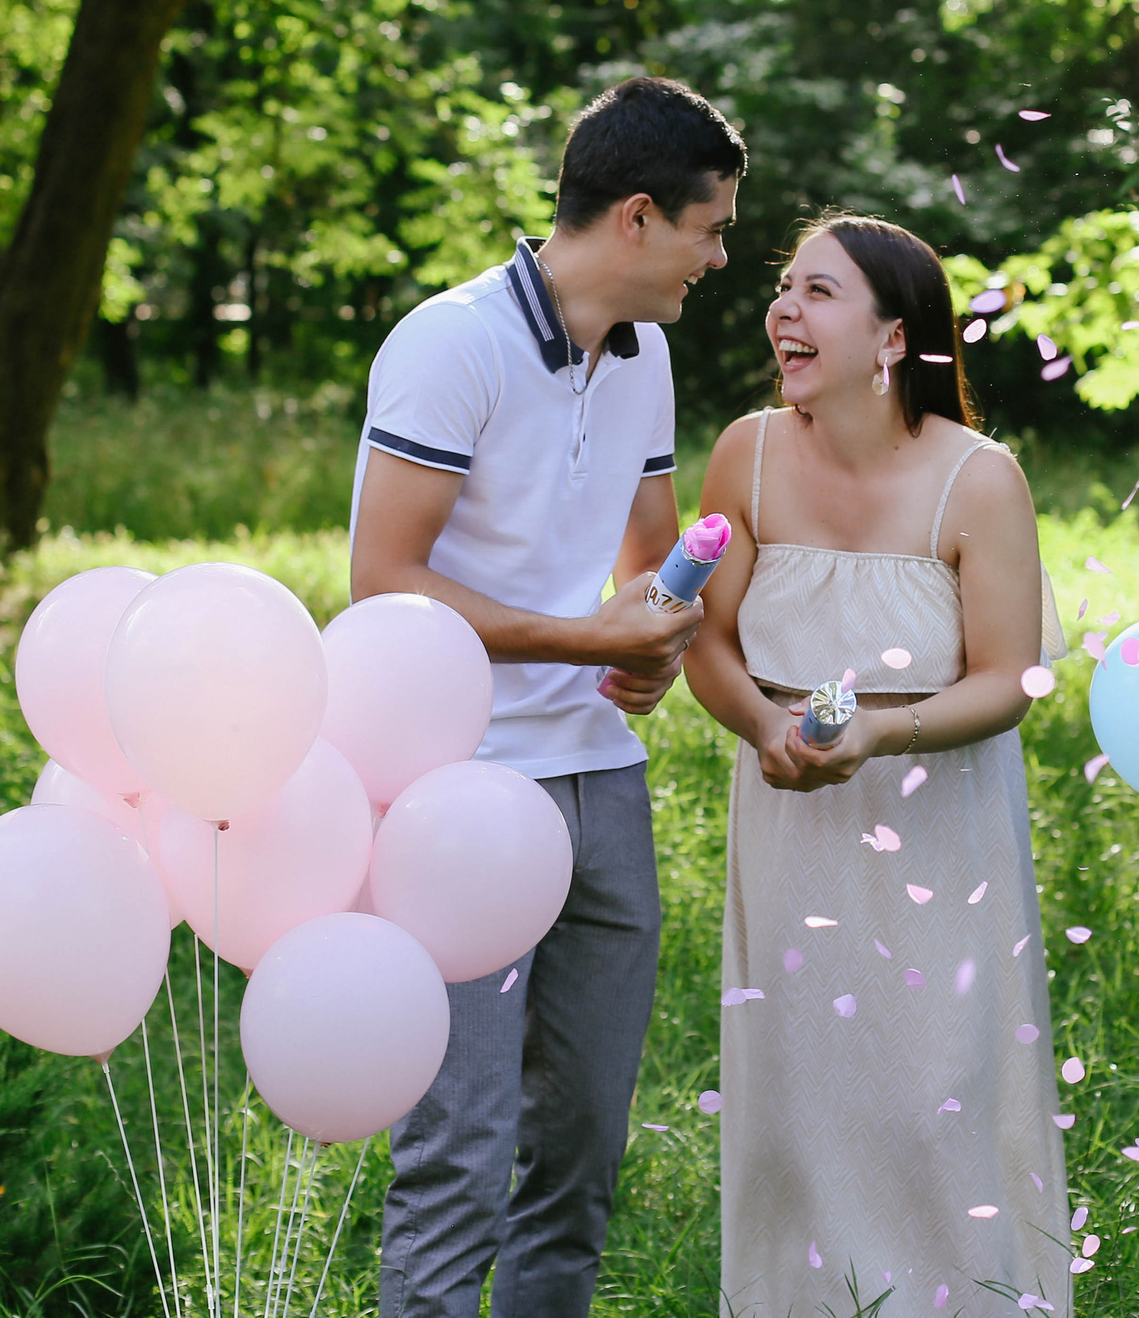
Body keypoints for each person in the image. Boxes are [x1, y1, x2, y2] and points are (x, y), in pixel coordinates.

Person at [348, 76, 744, 1318]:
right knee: (456, 1157)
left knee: (580, 1158)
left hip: (600, 791)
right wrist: (584, 638)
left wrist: (654, 642)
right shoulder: (446, 343)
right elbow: (385, 584)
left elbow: (650, 550)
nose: (720, 258)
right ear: (637, 217)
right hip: (455, 791)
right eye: (711, 227)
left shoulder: (647, 357)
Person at [683, 212, 1072, 1318]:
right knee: (802, 1103)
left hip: (936, 810)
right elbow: (707, 638)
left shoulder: (977, 479)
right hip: (791, 811)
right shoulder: (746, 453)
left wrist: (877, 736)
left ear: (892, 337)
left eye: (817, 293)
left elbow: (1006, 677)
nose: (783, 311)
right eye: (783, 289)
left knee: (934, 1094)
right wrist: (764, 728)